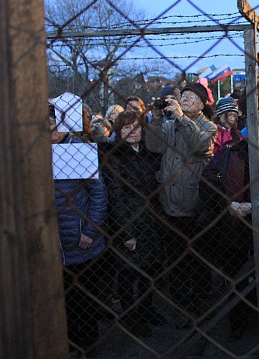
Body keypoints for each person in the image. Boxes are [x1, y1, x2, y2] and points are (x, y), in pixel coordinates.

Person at [200, 109, 259, 341]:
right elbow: (208, 180)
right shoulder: (230, 154)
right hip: (233, 229)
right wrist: (228, 204)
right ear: (249, 134)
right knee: (236, 276)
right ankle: (238, 323)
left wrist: (256, 207)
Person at [144, 83, 217, 317]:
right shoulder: (169, 124)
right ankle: (181, 306)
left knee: (197, 259)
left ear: (202, 103)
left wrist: (180, 117)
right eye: (183, 96)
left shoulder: (209, 126)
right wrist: (156, 118)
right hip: (168, 204)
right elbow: (153, 146)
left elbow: (200, 145)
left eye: (191, 97)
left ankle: (199, 301)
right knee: (176, 261)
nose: (184, 100)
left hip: (193, 205)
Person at [50, 107, 108, 356]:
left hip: (79, 239)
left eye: (52, 123)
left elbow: (98, 194)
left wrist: (90, 231)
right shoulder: (34, 152)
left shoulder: (78, 150)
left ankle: (87, 346)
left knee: (82, 301)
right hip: (51, 242)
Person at [103, 111, 164, 338]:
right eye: (126, 128)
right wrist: (125, 232)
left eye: (136, 127)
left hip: (150, 220)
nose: (132, 132)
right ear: (118, 131)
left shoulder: (147, 153)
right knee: (128, 273)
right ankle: (130, 317)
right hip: (128, 220)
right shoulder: (114, 157)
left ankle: (146, 309)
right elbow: (116, 198)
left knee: (150, 270)